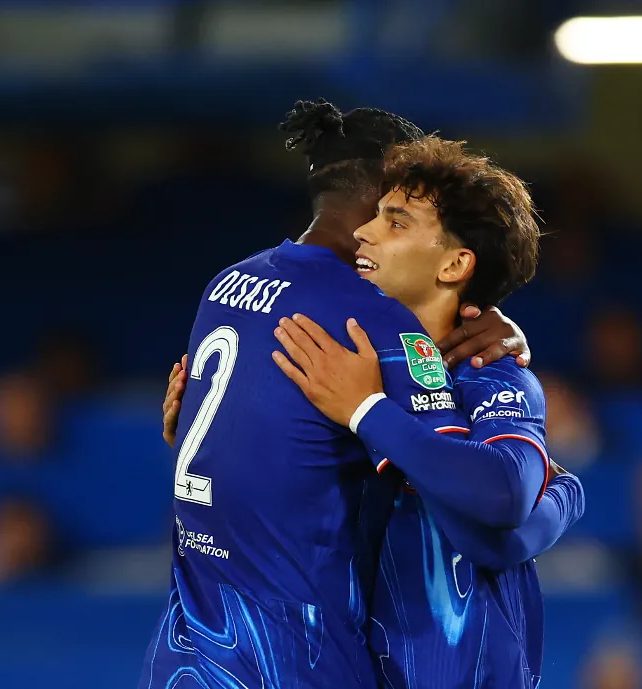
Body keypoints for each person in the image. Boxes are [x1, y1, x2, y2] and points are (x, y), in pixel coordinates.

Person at [139, 100, 531, 689]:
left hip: (186, 653)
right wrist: (561, 495)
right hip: (294, 659)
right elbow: (487, 501)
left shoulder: (226, 284)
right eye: (401, 205)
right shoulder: (369, 321)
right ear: (379, 192)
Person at [268, 136, 585, 687]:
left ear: (455, 263)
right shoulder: (349, 363)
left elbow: (503, 498)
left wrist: (368, 411)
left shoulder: (492, 373)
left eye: (395, 223)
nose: (363, 232)